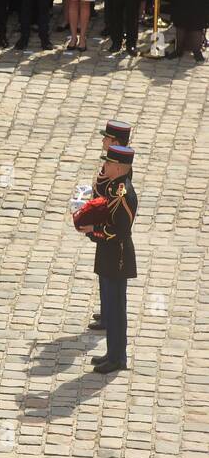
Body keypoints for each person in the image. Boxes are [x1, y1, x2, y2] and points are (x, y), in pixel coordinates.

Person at [82, 144, 138, 375]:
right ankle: (112, 352)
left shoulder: (124, 194)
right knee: (110, 302)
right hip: (108, 254)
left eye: (108, 163)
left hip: (118, 257)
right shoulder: (115, 185)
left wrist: (94, 228)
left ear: (118, 167)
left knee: (116, 310)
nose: (104, 165)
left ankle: (118, 358)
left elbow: (120, 231)